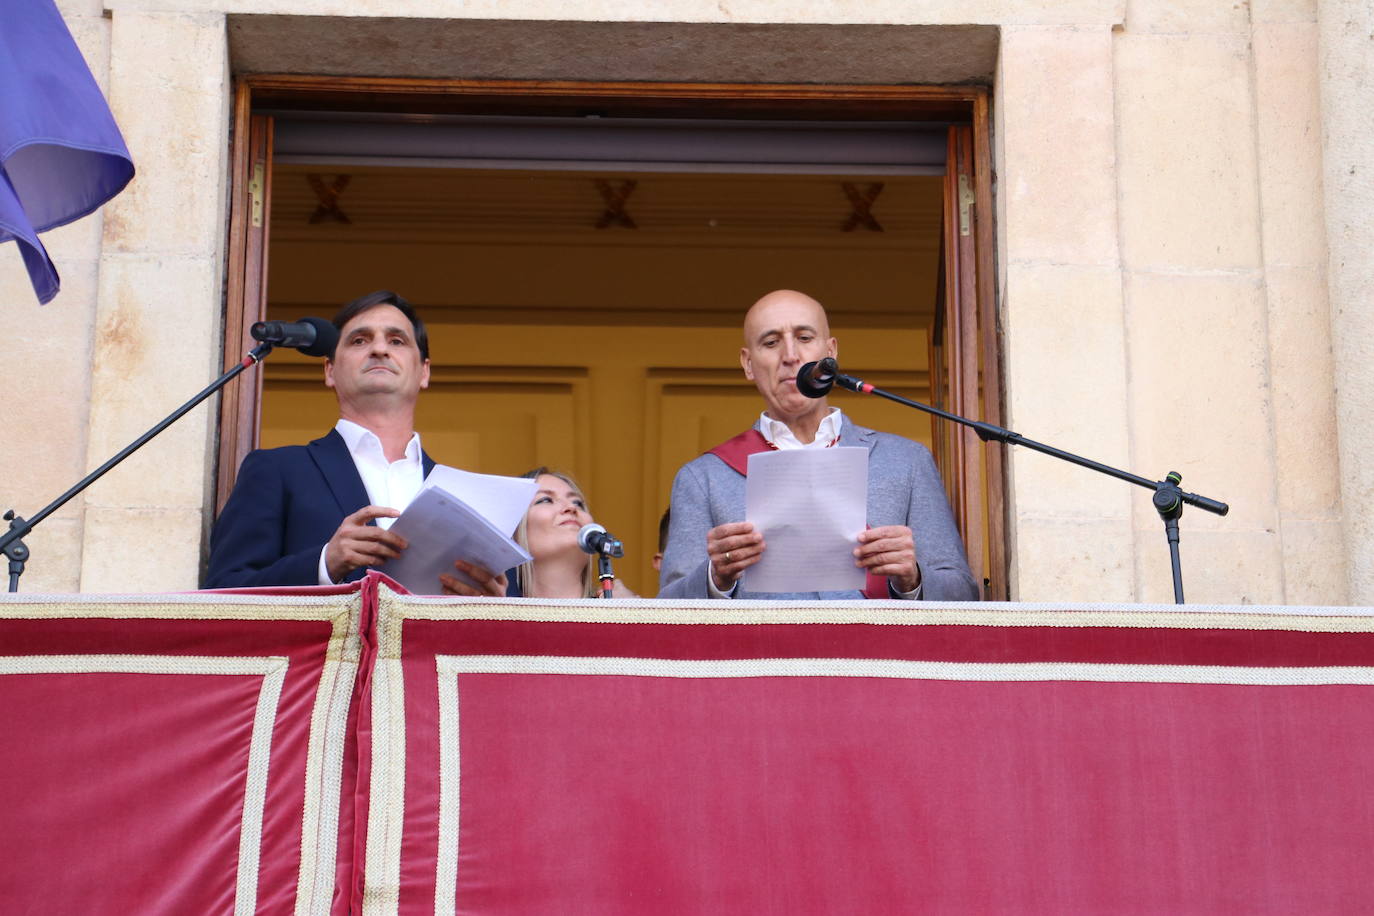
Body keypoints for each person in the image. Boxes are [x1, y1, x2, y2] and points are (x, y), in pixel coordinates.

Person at [657, 289, 979, 602]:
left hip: (874, 655)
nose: (790, 356)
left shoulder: (907, 461)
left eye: (805, 338)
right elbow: (668, 611)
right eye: (770, 342)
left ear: (830, 351)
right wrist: (716, 577)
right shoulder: (703, 478)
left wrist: (913, 578)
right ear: (748, 364)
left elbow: (962, 595)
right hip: (763, 655)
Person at [204, 290, 506, 596]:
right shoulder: (276, 470)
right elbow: (221, 593)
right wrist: (324, 563)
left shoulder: (466, 496)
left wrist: (494, 605)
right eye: (359, 340)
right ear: (330, 370)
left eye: (396, 341)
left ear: (424, 372)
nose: (379, 349)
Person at [508, 468, 639, 599]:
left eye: (578, 503)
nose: (571, 508)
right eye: (546, 500)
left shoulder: (623, 610)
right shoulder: (491, 610)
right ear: (514, 530)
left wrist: (632, 615)